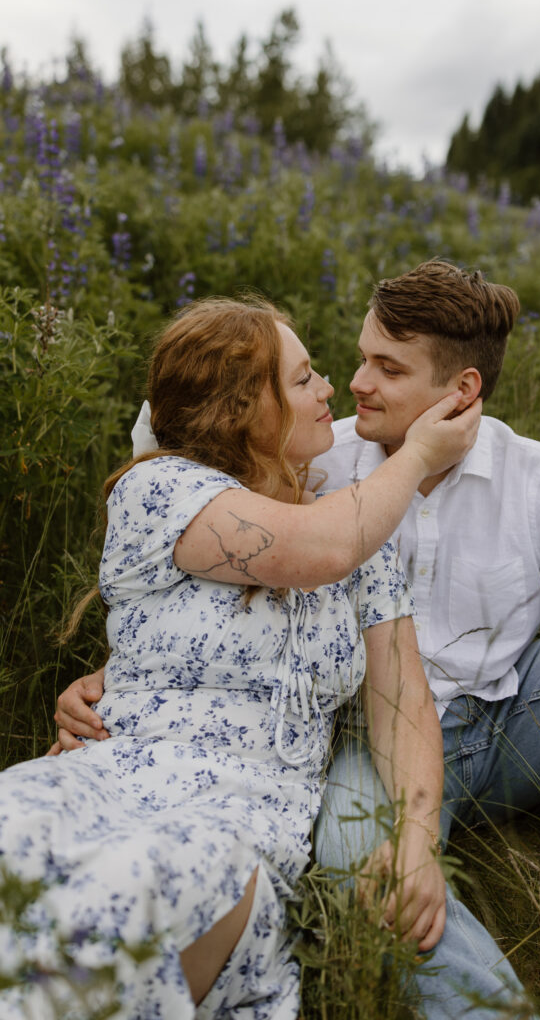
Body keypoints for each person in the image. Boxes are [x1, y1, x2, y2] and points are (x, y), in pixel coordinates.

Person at [55, 262, 540, 1019]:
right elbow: (201, 560)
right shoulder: (312, 456)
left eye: (386, 368)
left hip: (513, 720)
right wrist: (117, 675)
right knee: (369, 868)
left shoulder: (533, 475)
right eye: (357, 357)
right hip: (370, 738)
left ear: (461, 391)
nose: (355, 383)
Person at [0, 295, 483, 1019]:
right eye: (302, 379)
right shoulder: (159, 489)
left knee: (134, 888)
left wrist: (416, 840)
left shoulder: (361, 535)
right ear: (240, 409)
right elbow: (311, 551)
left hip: (239, 818)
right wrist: (416, 457)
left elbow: (403, 703)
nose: (330, 391)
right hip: (107, 775)